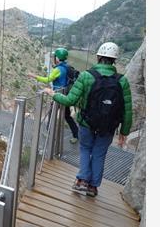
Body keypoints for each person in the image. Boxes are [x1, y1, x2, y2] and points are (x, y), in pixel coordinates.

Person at [43, 42, 132, 197]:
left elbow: (70, 100)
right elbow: (127, 110)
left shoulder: (86, 76)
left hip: (86, 122)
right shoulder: (122, 81)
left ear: (98, 57)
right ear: (114, 60)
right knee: (99, 154)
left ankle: (82, 180)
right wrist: (124, 132)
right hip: (109, 126)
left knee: (85, 149)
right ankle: (92, 187)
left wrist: (53, 94)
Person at [28, 47, 79, 144]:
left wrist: (33, 76)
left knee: (52, 114)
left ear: (57, 58)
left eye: (54, 56)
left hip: (58, 95)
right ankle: (76, 135)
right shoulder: (67, 67)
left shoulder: (58, 69)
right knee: (67, 116)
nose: (53, 58)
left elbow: (47, 80)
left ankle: (49, 133)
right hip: (66, 95)